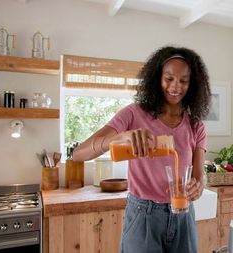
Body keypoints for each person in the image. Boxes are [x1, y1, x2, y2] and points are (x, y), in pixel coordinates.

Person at [72, 46, 211, 253]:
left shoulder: (196, 126)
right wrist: (119, 138)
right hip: (143, 214)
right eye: (169, 78)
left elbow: (199, 177)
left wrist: (198, 187)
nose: (175, 86)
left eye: (183, 81)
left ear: (192, 85)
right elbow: (78, 154)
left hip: (184, 215)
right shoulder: (133, 114)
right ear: (157, 78)